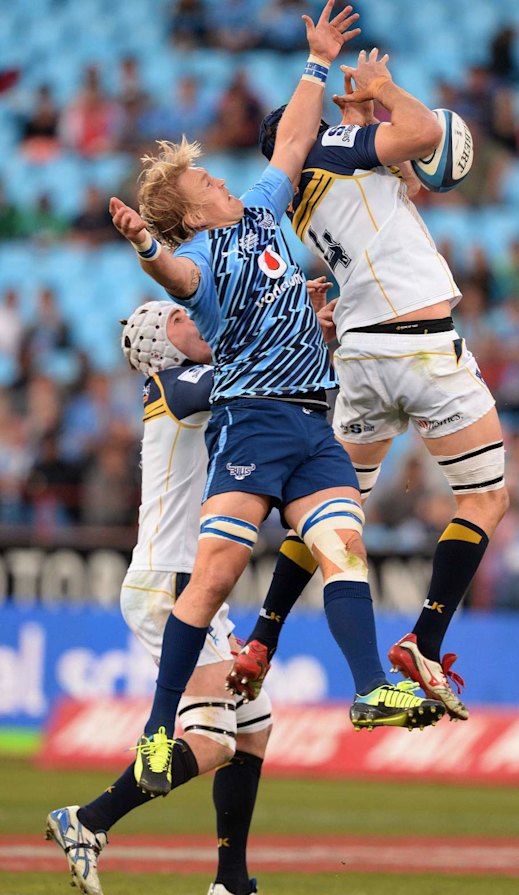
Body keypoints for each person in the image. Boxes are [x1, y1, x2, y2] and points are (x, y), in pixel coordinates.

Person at [109, 1, 446, 796]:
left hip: (312, 422)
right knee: (215, 576)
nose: (220, 179)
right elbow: (174, 277)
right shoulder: (202, 258)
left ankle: (370, 689)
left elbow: (294, 139)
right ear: (191, 211)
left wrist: (317, 63)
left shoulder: (261, 210)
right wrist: (147, 246)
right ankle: (156, 727)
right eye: (206, 181)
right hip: (253, 422)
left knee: (344, 546)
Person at [232, 49, 510, 722]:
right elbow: (425, 134)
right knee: (485, 496)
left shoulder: (301, 195)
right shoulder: (331, 151)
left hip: (360, 357)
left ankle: (263, 636)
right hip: (419, 342)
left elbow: (398, 180)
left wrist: (360, 115)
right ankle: (425, 640)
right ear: (306, 132)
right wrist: (383, 89)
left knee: (331, 507)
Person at [46, 300, 273, 895]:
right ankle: (89, 820)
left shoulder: (185, 388)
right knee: (215, 741)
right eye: (179, 318)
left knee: (254, 727)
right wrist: (291, 325)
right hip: (169, 585)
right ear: (159, 343)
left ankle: (232, 885)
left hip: (191, 582)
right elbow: (246, 371)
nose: (195, 319)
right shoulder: (171, 385)